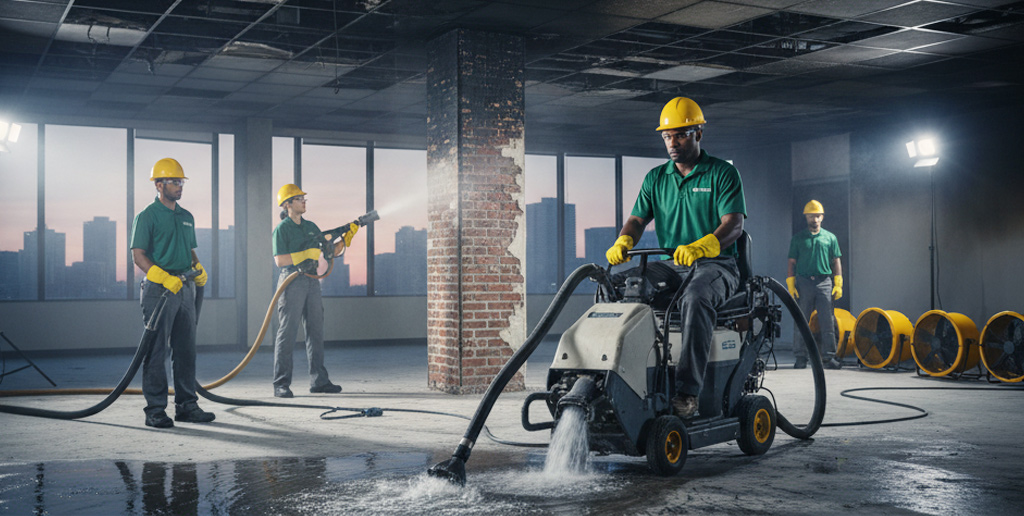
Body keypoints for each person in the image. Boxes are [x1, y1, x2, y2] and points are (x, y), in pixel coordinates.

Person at [606, 97, 746, 418]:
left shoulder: (722, 173)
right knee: (615, 286)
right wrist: (625, 240)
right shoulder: (656, 178)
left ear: (699, 134)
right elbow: (637, 219)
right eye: (667, 136)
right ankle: (622, 377)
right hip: (672, 264)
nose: (673, 142)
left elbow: (734, 224)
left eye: (681, 135)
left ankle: (687, 392)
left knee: (695, 298)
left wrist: (703, 246)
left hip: (717, 265)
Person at [130, 158, 215, 428]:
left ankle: (187, 406)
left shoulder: (186, 217)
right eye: (174, 181)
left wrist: (197, 267)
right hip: (159, 290)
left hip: (185, 288)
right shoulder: (147, 216)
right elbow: (138, 255)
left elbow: (189, 250)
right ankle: (155, 410)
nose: (180, 186)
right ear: (159, 185)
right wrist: (163, 277)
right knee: (156, 351)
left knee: (186, 350)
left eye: (181, 182)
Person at [271, 184, 358, 398]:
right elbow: (280, 260)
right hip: (291, 280)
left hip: (311, 281)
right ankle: (281, 384)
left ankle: (319, 381)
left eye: (304, 198)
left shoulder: (311, 226)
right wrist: (304, 255)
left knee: (316, 331)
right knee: (287, 332)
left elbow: (329, 252)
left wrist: (345, 240)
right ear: (287, 204)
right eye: (299, 198)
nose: (304, 201)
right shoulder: (282, 229)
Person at [786, 200, 844, 370]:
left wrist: (838, 283)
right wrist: (791, 283)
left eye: (817, 216)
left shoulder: (830, 238)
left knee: (827, 322)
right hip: (804, 282)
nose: (815, 219)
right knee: (801, 321)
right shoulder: (798, 239)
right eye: (811, 216)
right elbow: (791, 262)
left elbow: (836, 261)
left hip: (824, 282)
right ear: (806, 217)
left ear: (822, 217)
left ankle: (828, 358)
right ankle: (801, 357)